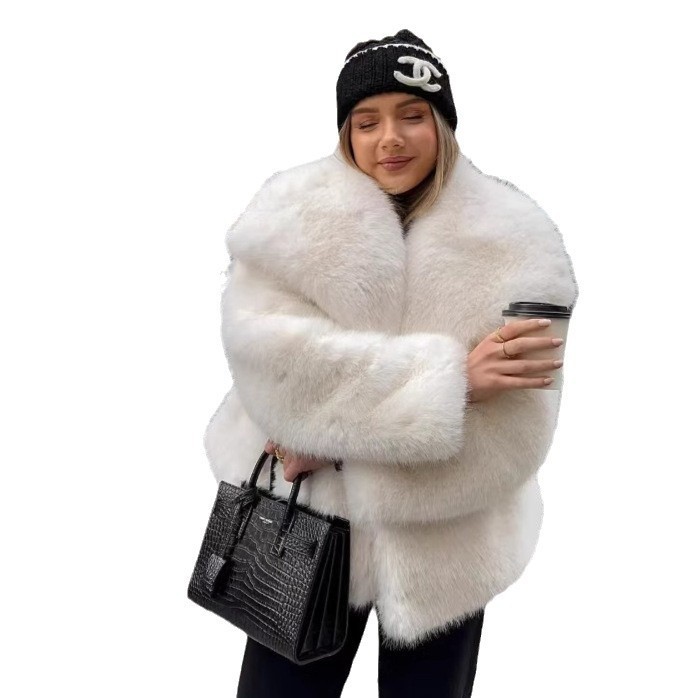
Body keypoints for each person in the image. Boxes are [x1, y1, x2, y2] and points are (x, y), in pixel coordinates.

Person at [203, 29, 578, 697]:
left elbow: (522, 428)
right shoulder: (289, 216)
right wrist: (453, 384)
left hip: (450, 553)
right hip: (304, 524)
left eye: (412, 115)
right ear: (345, 132)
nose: (390, 139)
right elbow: (272, 368)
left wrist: (333, 439)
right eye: (367, 121)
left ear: (443, 123)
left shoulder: (519, 242)